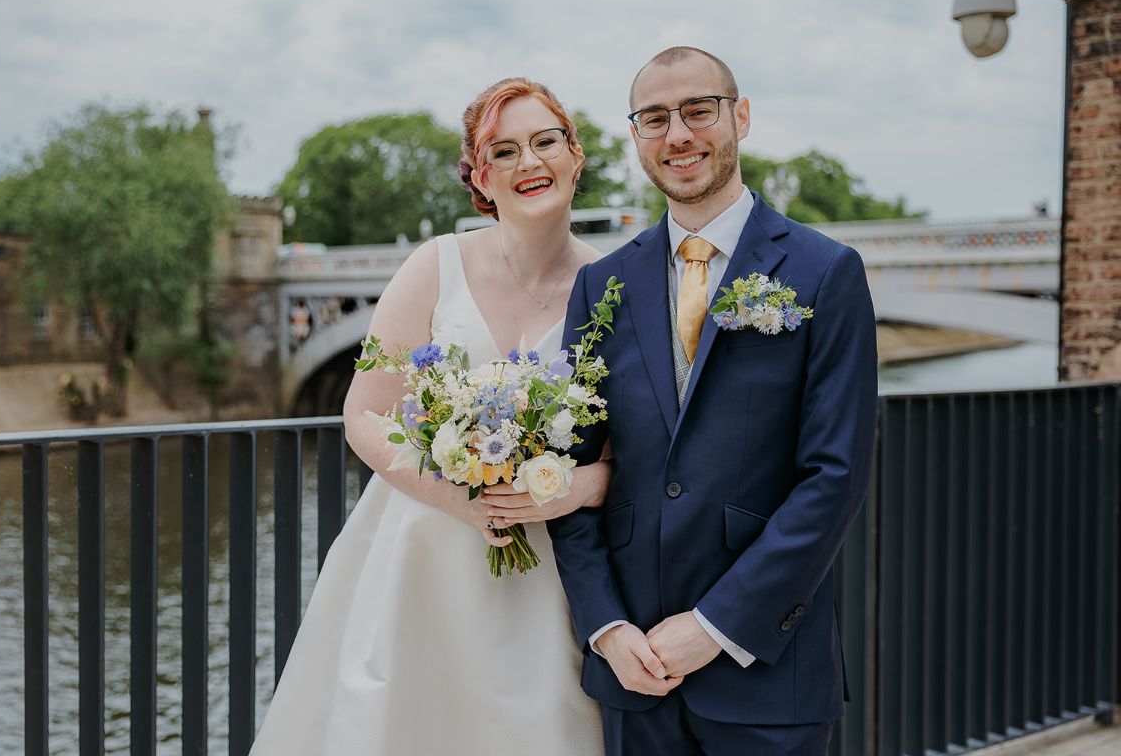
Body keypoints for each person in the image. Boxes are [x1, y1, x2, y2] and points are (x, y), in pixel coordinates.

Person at [249, 78, 607, 755]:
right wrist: (458, 495)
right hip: (422, 557)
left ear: (576, 156)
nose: (528, 162)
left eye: (544, 142)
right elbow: (365, 412)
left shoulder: (612, 282)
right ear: (479, 177)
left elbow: (629, 447)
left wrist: (571, 488)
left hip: (553, 569)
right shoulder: (432, 266)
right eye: (502, 151)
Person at [547, 46, 879, 755]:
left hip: (766, 669)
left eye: (699, 110)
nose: (679, 135)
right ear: (635, 136)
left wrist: (716, 626)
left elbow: (835, 476)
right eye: (656, 118)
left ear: (741, 117)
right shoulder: (600, 285)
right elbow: (566, 476)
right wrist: (604, 625)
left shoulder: (826, 273)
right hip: (633, 671)